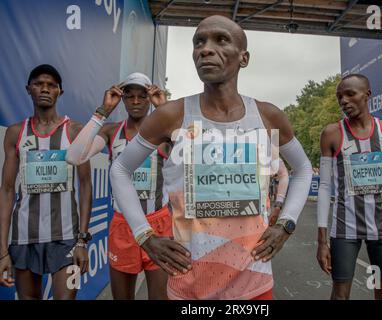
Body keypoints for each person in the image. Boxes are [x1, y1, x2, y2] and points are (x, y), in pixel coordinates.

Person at [109, 15, 313, 300]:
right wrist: (144, 235)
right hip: (188, 287)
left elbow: (303, 169)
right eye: (199, 42)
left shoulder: (268, 116)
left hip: (252, 286)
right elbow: (119, 169)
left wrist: (286, 224)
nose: (205, 48)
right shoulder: (172, 115)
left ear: (244, 58)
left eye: (221, 40)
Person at [65, 73, 170, 300]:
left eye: (142, 96)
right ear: (122, 99)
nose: (135, 101)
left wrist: (165, 110)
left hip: (158, 221)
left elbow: (192, 156)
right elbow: (74, 156)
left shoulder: (163, 133)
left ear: (149, 99)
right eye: (129, 96)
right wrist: (103, 110)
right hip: (123, 226)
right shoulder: (112, 131)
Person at [316, 74, 382, 300]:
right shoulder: (331, 133)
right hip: (345, 228)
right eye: (340, 97)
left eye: (351, 94)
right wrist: (322, 240)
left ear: (367, 94)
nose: (344, 101)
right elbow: (324, 187)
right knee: (340, 295)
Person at [0, 64, 92, 299]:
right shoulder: (15, 133)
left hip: (67, 239)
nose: (45, 89)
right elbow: (7, 190)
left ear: (60, 92)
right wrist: (2, 250)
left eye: (51, 85)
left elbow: (85, 187)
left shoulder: (75, 131)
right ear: (28, 89)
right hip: (24, 237)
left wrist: (81, 240)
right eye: (39, 84)